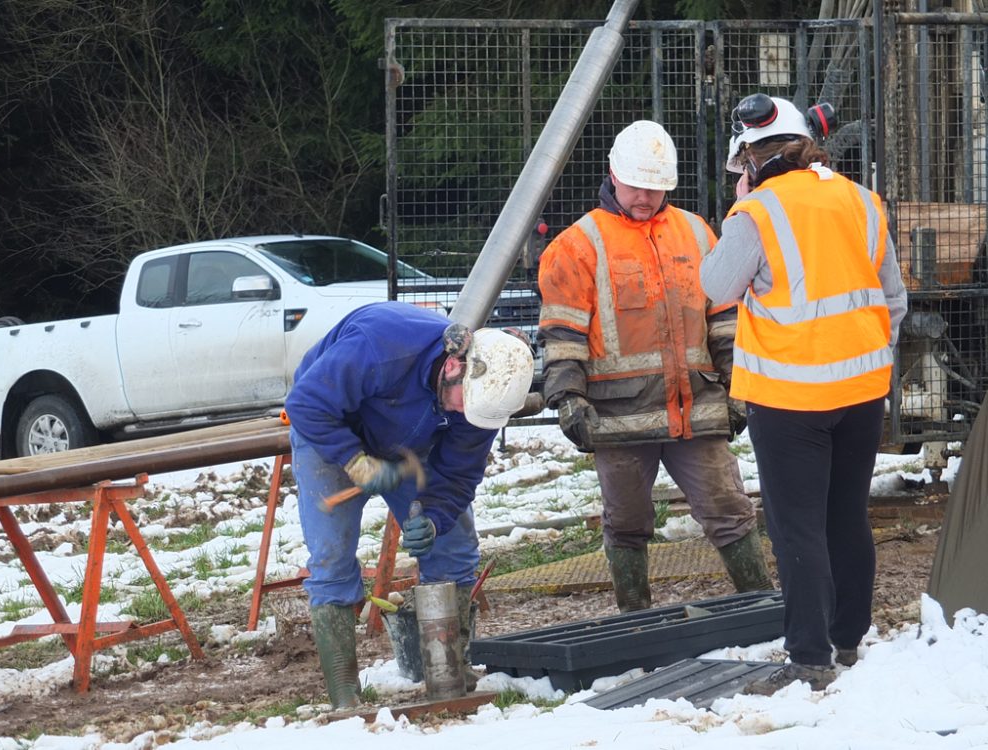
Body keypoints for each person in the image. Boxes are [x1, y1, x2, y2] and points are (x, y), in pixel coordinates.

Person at [700, 94, 907, 694]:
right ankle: (847, 639)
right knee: (846, 515)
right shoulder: (861, 201)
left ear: (751, 158)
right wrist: (867, 353)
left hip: (789, 398)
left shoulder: (758, 212)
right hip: (862, 390)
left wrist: (738, 210)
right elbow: (892, 299)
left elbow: (715, 285)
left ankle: (809, 658)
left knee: (797, 528)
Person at [535, 120, 772, 615]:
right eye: (636, 185)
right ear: (612, 175)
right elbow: (563, 335)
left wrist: (739, 385)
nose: (645, 196)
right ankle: (635, 618)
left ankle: (761, 609)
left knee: (729, 509)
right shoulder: (578, 246)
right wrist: (569, 399)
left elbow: (724, 319)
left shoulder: (695, 231)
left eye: (656, 187)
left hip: (698, 409)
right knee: (626, 521)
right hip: (616, 418)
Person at [283, 301, 535, 709]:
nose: (463, 414)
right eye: (460, 404)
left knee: (452, 547)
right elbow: (307, 405)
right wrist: (356, 461)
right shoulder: (382, 343)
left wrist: (434, 519)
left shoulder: (481, 401)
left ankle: (449, 675)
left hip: (410, 445)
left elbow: (457, 477)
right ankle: (345, 694)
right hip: (330, 432)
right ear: (454, 367)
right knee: (331, 558)